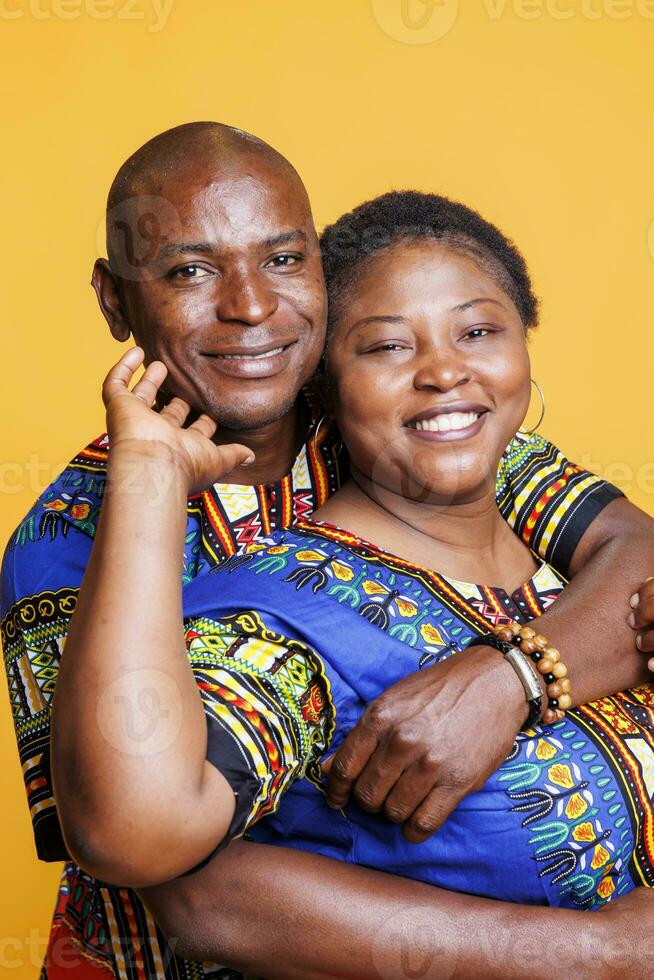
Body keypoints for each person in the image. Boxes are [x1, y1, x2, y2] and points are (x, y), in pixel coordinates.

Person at [2, 123, 653, 979]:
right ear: (115, 299)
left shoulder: (388, 415)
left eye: (282, 260)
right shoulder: (73, 541)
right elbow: (186, 883)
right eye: (190, 271)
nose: (251, 306)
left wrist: (512, 679)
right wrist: (606, 953)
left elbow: (633, 550)